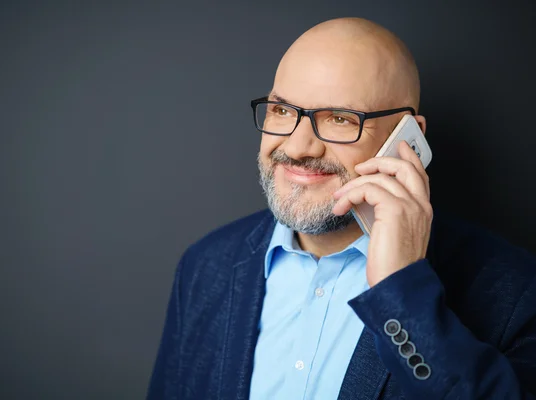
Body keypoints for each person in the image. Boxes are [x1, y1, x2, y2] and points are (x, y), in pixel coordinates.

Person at [147, 17, 536, 399]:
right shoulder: (205, 267)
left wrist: (401, 290)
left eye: (339, 119)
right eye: (281, 111)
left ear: (408, 136)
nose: (298, 148)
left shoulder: (514, 291)